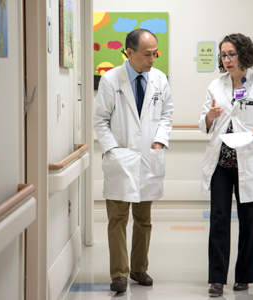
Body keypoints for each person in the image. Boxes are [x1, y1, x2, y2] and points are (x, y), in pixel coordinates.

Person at [198, 33, 253, 297]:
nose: (227, 59)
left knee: (249, 222)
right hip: (222, 163)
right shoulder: (215, 86)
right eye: (223, 55)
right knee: (219, 220)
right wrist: (209, 118)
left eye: (231, 54)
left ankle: (244, 276)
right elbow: (203, 122)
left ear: (244, 54)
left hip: (250, 160)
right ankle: (217, 279)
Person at [94, 28, 174, 293]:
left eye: (155, 53)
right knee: (117, 219)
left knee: (144, 219)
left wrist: (160, 139)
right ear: (129, 53)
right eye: (147, 54)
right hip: (120, 158)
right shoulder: (110, 80)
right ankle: (119, 273)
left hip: (148, 158)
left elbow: (166, 115)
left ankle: (140, 268)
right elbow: (100, 121)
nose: (153, 60)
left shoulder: (160, 79)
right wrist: (113, 149)